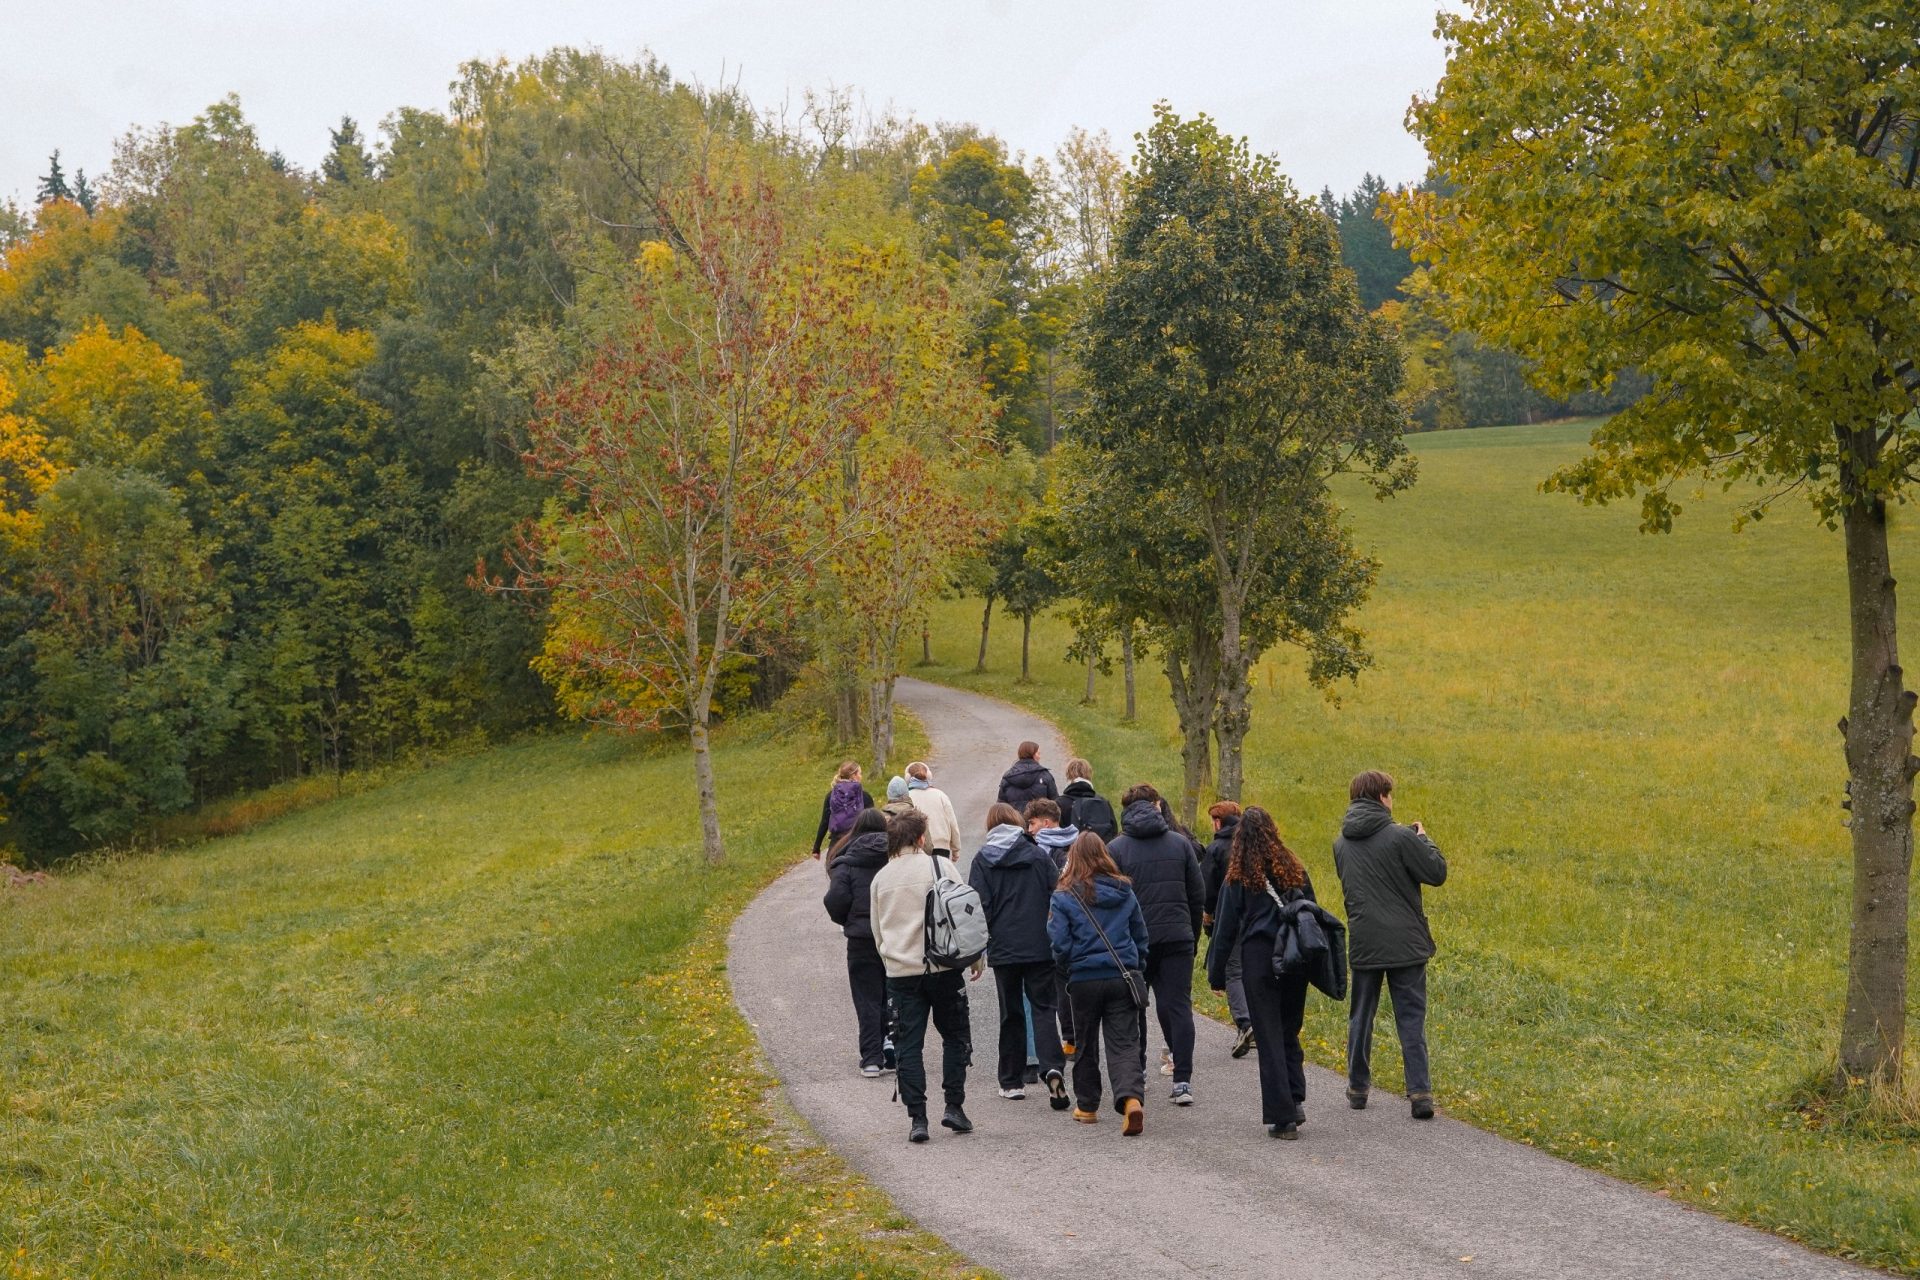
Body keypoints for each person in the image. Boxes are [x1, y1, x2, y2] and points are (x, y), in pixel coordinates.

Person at [1335, 769, 1448, 1120]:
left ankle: (1357, 1088)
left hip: (1365, 938)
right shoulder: (1400, 836)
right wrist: (1424, 838)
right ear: (1382, 796)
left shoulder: (1341, 842)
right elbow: (1436, 873)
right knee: (1410, 1017)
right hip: (1406, 941)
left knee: (1361, 1015)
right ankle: (1420, 1093)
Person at [870, 807, 978, 1143]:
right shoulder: (940, 866)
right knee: (955, 1037)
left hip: (901, 972)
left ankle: (918, 1117)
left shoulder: (880, 879)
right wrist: (976, 957)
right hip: (943, 966)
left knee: (908, 1046)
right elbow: (964, 912)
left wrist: (892, 960)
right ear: (920, 837)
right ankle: (954, 1106)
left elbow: (877, 933)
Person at [1208, 807, 1315, 1139]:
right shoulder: (1294, 869)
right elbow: (1311, 910)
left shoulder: (1239, 877)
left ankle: (1283, 1117)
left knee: (1267, 1037)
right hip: (1294, 958)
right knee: (1288, 1030)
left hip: (1259, 958)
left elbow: (1225, 928)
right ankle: (1295, 1098)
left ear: (1240, 839)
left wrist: (1217, 974)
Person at [1107, 783, 1205, 1105]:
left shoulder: (1117, 849)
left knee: (1135, 1006)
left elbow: (1110, 898)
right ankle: (1182, 1081)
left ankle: (1138, 1075)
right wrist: (1190, 933)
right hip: (1177, 936)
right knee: (1178, 1007)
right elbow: (1196, 894)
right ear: (1156, 806)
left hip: (1134, 942)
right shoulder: (1180, 844)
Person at [1047, 831, 1149, 1134]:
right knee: (1125, 1042)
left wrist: (1067, 967)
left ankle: (1088, 1106)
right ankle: (1131, 1099)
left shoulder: (1064, 895)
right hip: (1121, 975)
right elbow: (1140, 936)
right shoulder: (1124, 891)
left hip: (1084, 979)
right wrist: (1136, 965)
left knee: (1086, 1042)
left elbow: (1060, 942)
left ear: (1073, 860)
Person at [969, 801, 1069, 1109]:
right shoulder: (1038, 855)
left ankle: (1011, 1081)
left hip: (1004, 948)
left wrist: (978, 951)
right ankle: (1051, 1066)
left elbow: (978, 907)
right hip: (1039, 945)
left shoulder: (983, 860)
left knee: (1010, 1012)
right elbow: (1059, 893)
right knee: (1043, 1008)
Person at [823, 809, 894, 1077]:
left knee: (866, 997)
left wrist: (848, 921)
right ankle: (893, 1042)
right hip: (892, 935)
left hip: (861, 938)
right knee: (894, 991)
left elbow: (835, 899)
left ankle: (871, 1058)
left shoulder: (846, 861)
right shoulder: (896, 856)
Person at [1024, 798, 1080, 1051]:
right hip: (1076, 922)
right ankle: (1073, 1036)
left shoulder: (1047, 851)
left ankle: (1069, 1037)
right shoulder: (1077, 844)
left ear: (1046, 823)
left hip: (1056, 923)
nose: (1029, 829)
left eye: (1033, 824)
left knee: (1059, 982)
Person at [1201, 800, 1255, 1057]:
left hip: (1230, 916)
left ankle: (1245, 1023)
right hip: (1257, 916)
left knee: (1233, 971)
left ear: (1218, 822)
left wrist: (1208, 915)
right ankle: (1258, 1022)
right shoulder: (1252, 845)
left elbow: (1209, 890)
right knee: (1252, 970)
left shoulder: (1216, 848)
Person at [814, 762, 875, 862]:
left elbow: (825, 821)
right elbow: (872, 823)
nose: (861, 776)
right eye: (860, 773)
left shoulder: (831, 796)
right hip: (859, 841)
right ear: (854, 776)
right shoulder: (864, 796)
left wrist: (816, 848)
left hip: (837, 842)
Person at [904, 761, 963, 857]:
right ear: (929, 776)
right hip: (942, 848)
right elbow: (953, 824)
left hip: (917, 849)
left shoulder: (907, 798)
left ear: (907, 779)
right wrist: (956, 849)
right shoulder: (941, 795)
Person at [1058, 758, 1117, 840]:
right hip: (1099, 850)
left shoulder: (1059, 804)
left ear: (1068, 775)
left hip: (1072, 851)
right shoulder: (1103, 801)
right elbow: (1114, 832)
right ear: (1089, 774)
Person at [996, 741, 1058, 810]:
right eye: (1038, 753)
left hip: (1014, 819)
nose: (1040, 757)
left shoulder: (1008, 776)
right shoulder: (1045, 775)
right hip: (1038, 820)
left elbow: (1000, 807)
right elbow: (1054, 805)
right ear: (1033, 755)